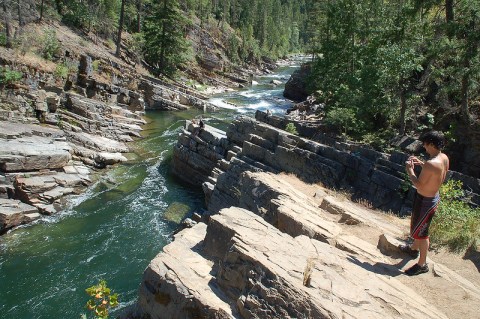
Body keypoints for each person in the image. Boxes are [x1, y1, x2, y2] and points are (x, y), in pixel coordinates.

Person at [400, 130, 449, 276]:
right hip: (433, 198)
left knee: (422, 233)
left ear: (432, 144)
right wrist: (422, 164)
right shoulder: (443, 157)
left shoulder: (430, 164)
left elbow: (419, 185)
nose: (424, 146)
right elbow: (438, 174)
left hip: (424, 201)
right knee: (419, 228)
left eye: (425, 144)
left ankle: (422, 264)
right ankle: (413, 249)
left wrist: (410, 170)